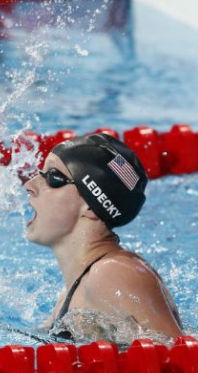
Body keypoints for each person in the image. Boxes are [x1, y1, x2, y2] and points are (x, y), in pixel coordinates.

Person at [20, 133, 183, 342]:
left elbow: (182, 360)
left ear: (91, 205)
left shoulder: (114, 273)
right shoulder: (75, 291)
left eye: (53, 177)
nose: (30, 185)